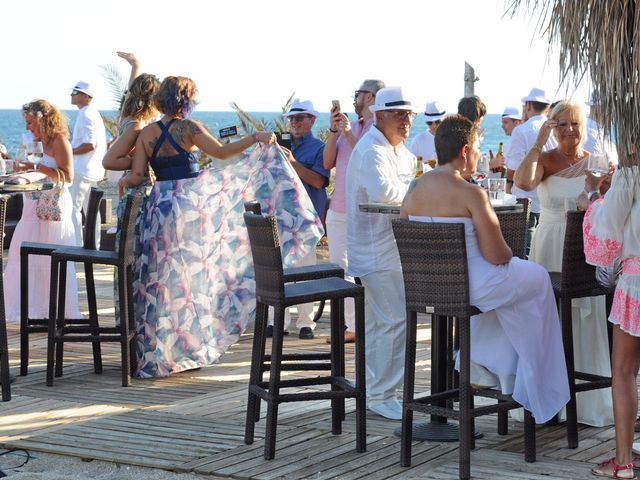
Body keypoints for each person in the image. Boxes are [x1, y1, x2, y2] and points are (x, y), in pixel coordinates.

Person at [401, 114, 569, 423]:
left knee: (512, 295)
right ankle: (533, 387)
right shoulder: (471, 194)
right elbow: (497, 255)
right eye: (478, 148)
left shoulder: (414, 190)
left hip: (429, 287)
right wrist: (510, 252)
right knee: (538, 278)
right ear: (465, 152)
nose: (479, 155)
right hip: (476, 285)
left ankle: (484, 360)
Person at [120, 76, 276, 377]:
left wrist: (125, 182)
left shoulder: (147, 133)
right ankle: (186, 348)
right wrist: (255, 138)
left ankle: (156, 353)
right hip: (188, 207)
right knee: (190, 279)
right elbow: (221, 153)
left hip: (159, 206)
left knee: (159, 280)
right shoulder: (190, 129)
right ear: (185, 100)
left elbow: (138, 173)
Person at [514, 100, 614, 427]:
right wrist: (539, 142)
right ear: (552, 128)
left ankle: (587, 402)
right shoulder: (543, 159)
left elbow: (607, 206)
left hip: (583, 246)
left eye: (574, 123)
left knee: (584, 317)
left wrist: (602, 186)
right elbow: (524, 183)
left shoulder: (595, 162)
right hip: (548, 244)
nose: (570, 130)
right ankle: (549, 401)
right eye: (562, 125)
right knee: (548, 320)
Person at [345, 86, 416, 420]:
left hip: (394, 250)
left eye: (409, 114)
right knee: (394, 320)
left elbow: (403, 190)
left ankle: (379, 391)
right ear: (380, 115)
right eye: (399, 113)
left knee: (382, 323)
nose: (406, 120)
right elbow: (385, 193)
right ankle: (382, 394)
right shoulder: (371, 149)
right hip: (375, 252)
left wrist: (419, 188)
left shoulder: (402, 152)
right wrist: (424, 189)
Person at [578, 159, 640, 479]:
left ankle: (624, 463)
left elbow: (608, 227)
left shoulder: (631, 171)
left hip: (638, 279)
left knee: (624, 370)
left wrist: (592, 196)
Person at [3, 100, 82, 323]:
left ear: (42, 119)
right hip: (32, 203)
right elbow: (25, 165)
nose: (28, 127)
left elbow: (68, 176)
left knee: (49, 256)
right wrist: (16, 166)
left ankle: (51, 309)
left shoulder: (59, 140)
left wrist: (36, 168)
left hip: (54, 207)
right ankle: (24, 307)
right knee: (21, 251)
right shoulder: (31, 140)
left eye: (30, 122)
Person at [323, 79, 384, 344]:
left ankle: (366, 323)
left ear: (369, 97)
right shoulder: (353, 126)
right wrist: (334, 131)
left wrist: (347, 133)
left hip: (363, 210)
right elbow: (327, 162)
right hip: (338, 208)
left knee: (367, 267)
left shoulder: (378, 128)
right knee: (340, 267)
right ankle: (352, 324)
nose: (354, 98)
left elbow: (367, 156)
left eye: (357, 94)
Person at [271, 99, 330, 340]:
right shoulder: (277, 146)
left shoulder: (319, 148)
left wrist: (292, 163)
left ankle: (306, 323)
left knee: (305, 270)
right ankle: (280, 321)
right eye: (292, 118)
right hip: (281, 215)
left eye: (300, 117)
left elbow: (318, 181)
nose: (294, 122)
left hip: (306, 218)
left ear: (312, 120)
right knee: (280, 270)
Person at [505, 87, 556, 257]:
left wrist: (508, 189)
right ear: (547, 108)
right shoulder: (556, 130)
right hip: (550, 202)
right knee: (546, 252)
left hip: (526, 201)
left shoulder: (521, 130)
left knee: (525, 253)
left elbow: (512, 168)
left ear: (528, 106)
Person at [70, 80, 107, 247]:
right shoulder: (94, 113)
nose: (71, 95)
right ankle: (94, 246)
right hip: (93, 169)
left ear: (85, 96)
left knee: (73, 209)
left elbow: (89, 144)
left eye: (75, 93)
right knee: (93, 211)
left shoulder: (85, 114)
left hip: (82, 169)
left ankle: (76, 246)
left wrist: (67, 152)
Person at [410, 100, 446, 168]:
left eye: (437, 122)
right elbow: (414, 166)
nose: (434, 125)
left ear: (444, 119)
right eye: (430, 122)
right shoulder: (418, 140)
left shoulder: (452, 138)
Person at [489, 106, 522, 173]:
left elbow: (517, 169)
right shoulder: (514, 140)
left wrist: (494, 163)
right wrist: (501, 168)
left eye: (505, 122)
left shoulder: (518, 141)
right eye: (502, 122)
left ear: (516, 123)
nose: (502, 126)